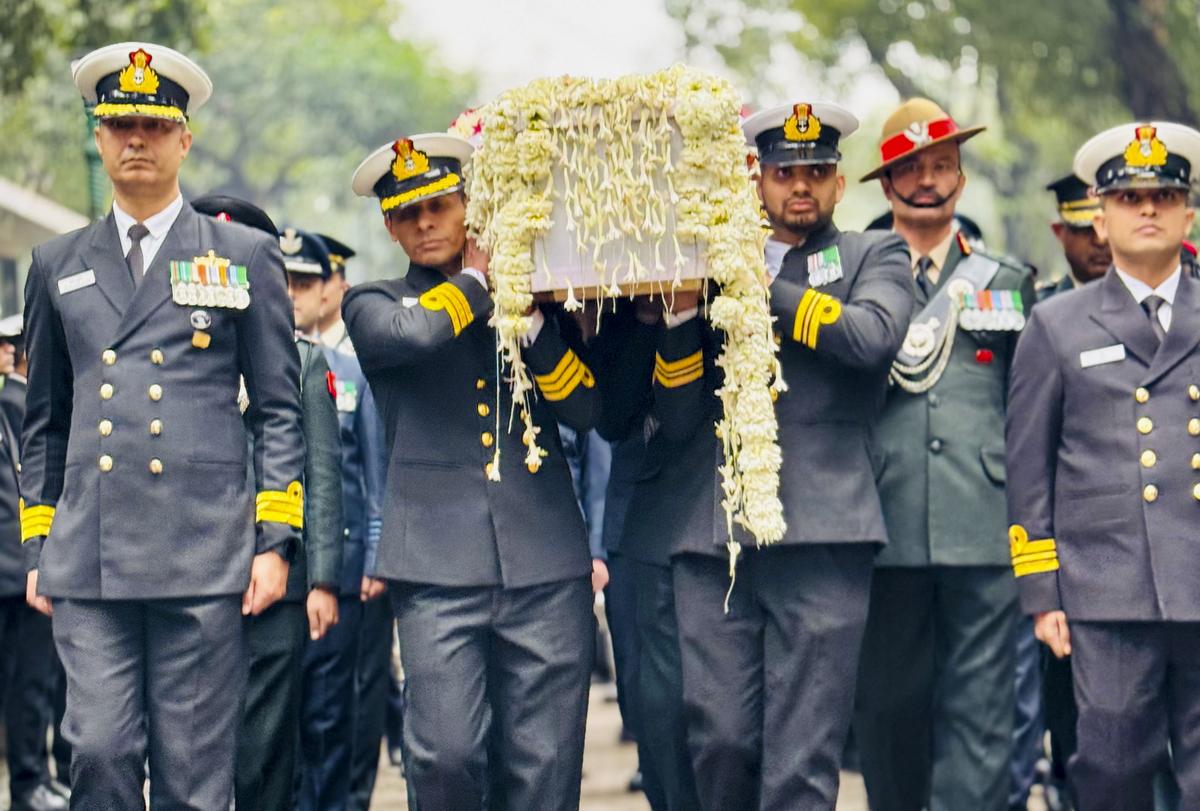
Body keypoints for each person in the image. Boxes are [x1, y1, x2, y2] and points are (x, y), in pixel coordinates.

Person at [20, 42, 304, 809]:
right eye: (118, 126)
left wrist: (275, 541)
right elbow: (44, 419)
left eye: (152, 124)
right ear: (99, 137)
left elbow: (280, 408)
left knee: (194, 779)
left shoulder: (242, 254)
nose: (135, 140)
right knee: (101, 756)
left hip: (204, 554)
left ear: (185, 137)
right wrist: (39, 541)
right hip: (91, 558)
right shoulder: (55, 264)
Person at [646, 101, 912, 810]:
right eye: (785, 171)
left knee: (803, 755)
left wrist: (761, 287)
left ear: (839, 182)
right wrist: (679, 313)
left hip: (825, 531)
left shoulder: (872, 254)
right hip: (715, 536)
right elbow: (672, 417)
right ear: (754, 179)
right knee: (720, 740)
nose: (802, 185)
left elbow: (870, 337)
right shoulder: (704, 263)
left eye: (817, 171)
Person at [343, 132, 598, 809]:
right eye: (407, 213)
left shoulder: (534, 297)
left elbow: (586, 409)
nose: (425, 223)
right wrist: (482, 282)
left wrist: (533, 318)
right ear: (390, 227)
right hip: (433, 568)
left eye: (439, 205)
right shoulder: (374, 302)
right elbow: (412, 337)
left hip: (544, 562)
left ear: (469, 207)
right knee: (446, 756)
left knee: (545, 765)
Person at [1008, 120, 1200, 810]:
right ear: (1101, 215)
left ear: (1188, 209)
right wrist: (1042, 592)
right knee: (1113, 767)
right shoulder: (1057, 324)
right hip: (1107, 588)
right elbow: (1029, 472)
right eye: (1129, 198)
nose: (1147, 208)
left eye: (1163, 194)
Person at [854, 97, 1036, 811]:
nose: (928, 180)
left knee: (985, 714)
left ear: (960, 176)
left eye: (941, 165)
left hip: (984, 527)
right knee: (889, 711)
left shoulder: (1007, 280)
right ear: (886, 183)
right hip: (882, 521)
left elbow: (1026, 415)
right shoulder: (851, 272)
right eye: (911, 168)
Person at [189, 198, 344, 811]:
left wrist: (324, 579)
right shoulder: (178, 362)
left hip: (279, 578)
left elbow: (322, 473)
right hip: (190, 570)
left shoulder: (303, 360)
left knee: (266, 746)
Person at [283, 224, 389, 811]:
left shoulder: (351, 371)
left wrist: (374, 552)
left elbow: (373, 467)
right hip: (278, 568)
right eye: (286, 281)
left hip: (342, 569)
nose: (294, 293)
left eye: (304, 282)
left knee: (335, 709)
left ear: (329, 288)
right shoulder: (258, 365)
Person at [0, 315, 68, 811]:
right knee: (28, 686)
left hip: (23, 567)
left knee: (36, 685)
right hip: (14, 568)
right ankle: (28, 783)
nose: (6, 354)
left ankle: (34, 780)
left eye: (9, 347)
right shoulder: (14, 405)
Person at [1039, 174, 1110, 300]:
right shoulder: (1037, 309)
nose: (1100, 240)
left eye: (1108, 227)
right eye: (1086, 230)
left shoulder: (1150, 307)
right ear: (1059, 232)